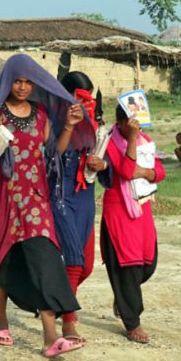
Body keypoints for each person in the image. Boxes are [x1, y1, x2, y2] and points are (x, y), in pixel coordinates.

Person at [0, 54, 94, 358]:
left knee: (46, 259)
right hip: (4, 196)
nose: (22, 87)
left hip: (36, 199)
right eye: (17, 81)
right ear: (7, 82)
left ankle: (50, 339)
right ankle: (0, 319)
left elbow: (53, 153)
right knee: (2, 259)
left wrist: (69, 128)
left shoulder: (40, 115)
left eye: (27, 82)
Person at [98, 104, 165, 343]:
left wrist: (146, 173)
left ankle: (122, 295)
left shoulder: (146, 140)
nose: (135, 126)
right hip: (119, 209)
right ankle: (132, 322)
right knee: (128, 265)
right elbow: (126, 171)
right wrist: (133, 140)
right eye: (130, 122)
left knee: (148, 263)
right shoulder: (111, 143)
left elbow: (159, 171)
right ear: (120, 122)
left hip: (143, 208)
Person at [51, 71, 108, 342]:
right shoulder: (54, 121)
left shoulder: (99, 127)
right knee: (73, 260)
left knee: (85, 268)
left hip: (86, 198)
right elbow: (52, 156)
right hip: (60, 196)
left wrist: (103, 165)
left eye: (87, 98)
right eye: (78, 97)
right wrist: (70, 125)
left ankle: (52, 302)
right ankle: (68, 322)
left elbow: (108, 174)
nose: (83, 103)